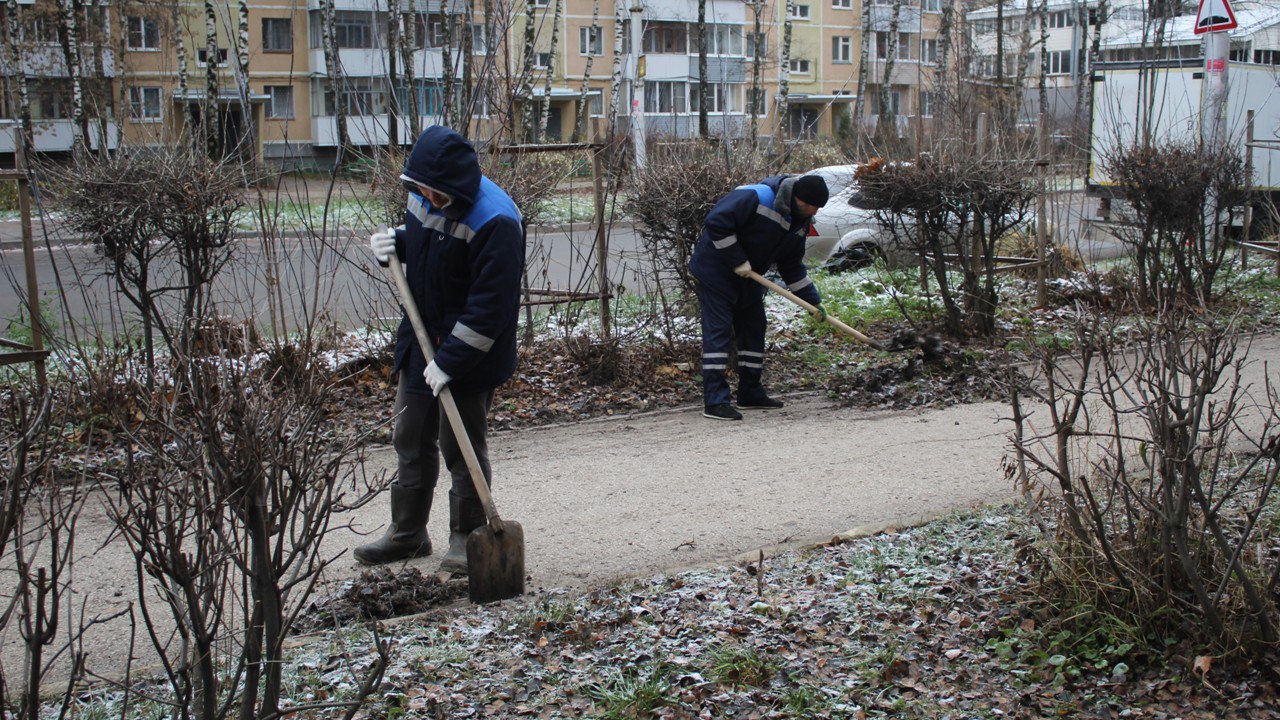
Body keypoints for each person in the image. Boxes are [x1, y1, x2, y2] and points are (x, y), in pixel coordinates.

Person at [359, 126, 524, 572]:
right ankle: (407, 534)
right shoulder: (424, 193)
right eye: (422, 192)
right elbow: (429, 246)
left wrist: (451, 361)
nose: (428, 201)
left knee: (460, 445)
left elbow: (491, 308)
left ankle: (466, 538)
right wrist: (397, 244)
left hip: (472, 352)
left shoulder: (496, 220)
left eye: (437, 195)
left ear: (457, 186)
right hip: (422, 338)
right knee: (410, 434)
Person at [689, 174, 829, 421]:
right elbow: (716, 221)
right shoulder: (758, 196)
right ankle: (715, 401)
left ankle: (750, 393)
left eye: (817, 208)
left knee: (754, 326)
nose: (812, 211)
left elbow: (791, 266)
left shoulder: (799, 223)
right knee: (719, 331)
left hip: (749, 276)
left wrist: (812, 302)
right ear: (795, 196)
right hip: (715, 270)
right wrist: (737, 259)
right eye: (808, 205)